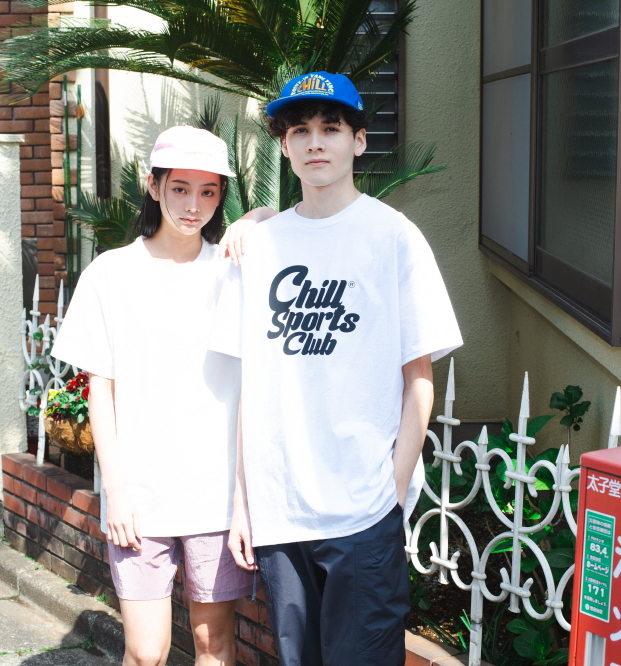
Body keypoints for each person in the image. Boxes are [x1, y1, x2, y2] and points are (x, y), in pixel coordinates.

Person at [209, 72, 462, 666]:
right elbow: (247, 386)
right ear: (285, 146)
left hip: (364, 511)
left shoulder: (394, 237)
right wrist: (242, 503)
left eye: (331, 128)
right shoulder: (256, 246)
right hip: (281, 511)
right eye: (300, 131)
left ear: (359, 140)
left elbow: (419, 378)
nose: (316, 142)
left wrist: (391, 492)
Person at [50, 125, 273, 666]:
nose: (193, 205)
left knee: (213, 643)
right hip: (140, 497)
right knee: (146, 652)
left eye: (208, 191)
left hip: (216, 498)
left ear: (222, 197)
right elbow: (100, 389)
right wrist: (116, 491)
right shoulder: (111, 274)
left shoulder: (233, 270)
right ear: (152, 186)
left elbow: (293, 215)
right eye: (179, 188)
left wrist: (252, 219)